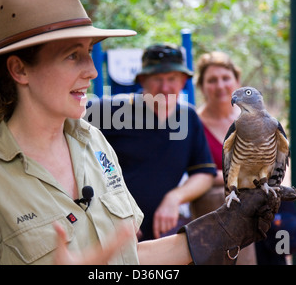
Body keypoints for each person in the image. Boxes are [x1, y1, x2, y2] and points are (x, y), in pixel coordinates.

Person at [0, 0, 281, 265]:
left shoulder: (94, 144)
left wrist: (221, 230)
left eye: (89, 52)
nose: (92, 71)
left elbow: (125, 261)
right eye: (73, 56)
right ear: (19, 69)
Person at [86, 44, 217, 241]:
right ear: (143, 80)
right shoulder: (107, 111)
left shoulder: (188, 117)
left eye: (172, 78)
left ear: (183, 81)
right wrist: (114, 212)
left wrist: (174, 198)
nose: (165, 88)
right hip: (107, 232)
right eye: (157, 79)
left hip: (161, 235)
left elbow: (204, 173)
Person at [192, 51, 257, 264]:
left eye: (225, 78)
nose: (220, 85)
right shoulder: (193, 124)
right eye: (212, 80)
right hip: (211, 218)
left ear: (237, 82)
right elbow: (190, 175)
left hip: (257, 215)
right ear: (201, 87)